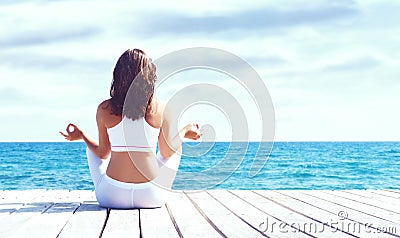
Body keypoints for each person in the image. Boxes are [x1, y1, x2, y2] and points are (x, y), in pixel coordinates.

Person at [60, 49, 201, 209]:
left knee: (90, 149)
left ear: (118, 75)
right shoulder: (161, 108)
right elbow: (166, 152)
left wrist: (83, 136)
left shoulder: (105, 109)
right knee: (174, 147)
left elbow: (103, 153)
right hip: (151, 195)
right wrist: (184, 132)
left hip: (112, 195)